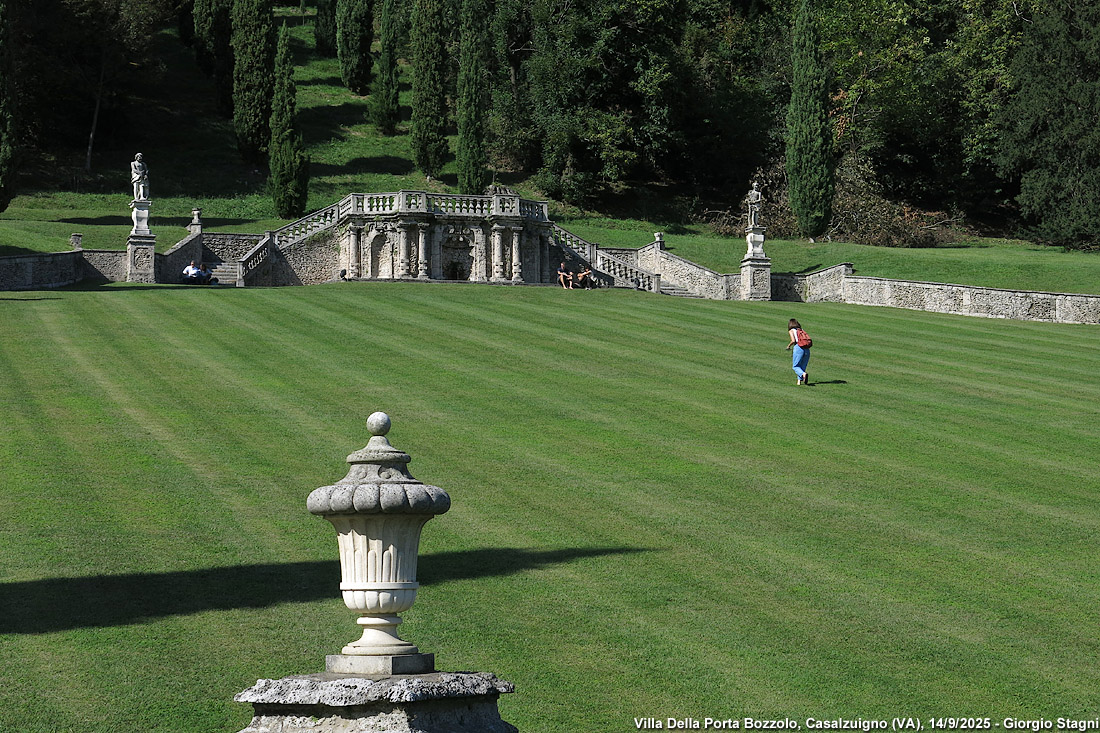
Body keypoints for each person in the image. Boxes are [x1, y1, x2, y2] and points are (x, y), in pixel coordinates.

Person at [786, 318, 811, 385]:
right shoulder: (801, 330)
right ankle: (799, 382)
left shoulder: (791, 330)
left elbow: (793, 340)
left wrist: (788, 346)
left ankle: (803, 374)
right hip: (806, 349)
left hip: (798, 348)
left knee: (795, 366)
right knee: (802, 366)